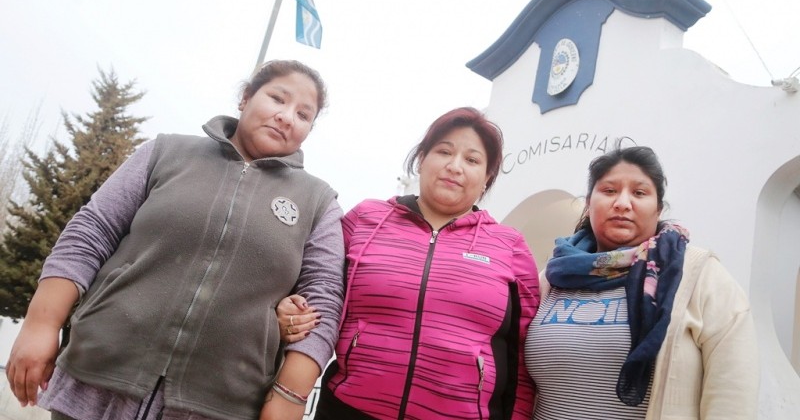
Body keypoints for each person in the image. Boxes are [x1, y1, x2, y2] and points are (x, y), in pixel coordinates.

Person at [5, 59, 345, 420]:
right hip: (99, 376)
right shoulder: (165, 153)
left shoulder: (318, 201)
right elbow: (92, 231)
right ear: (245, 98)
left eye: (303, 115)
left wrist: (289, 396)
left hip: (219, 403)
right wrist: (41, 324)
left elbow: (324, 295)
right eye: (278, 98)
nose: (287, 116)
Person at [281, 107, 541, 419]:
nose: (454, 166)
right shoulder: (365, 219)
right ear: (421, 159)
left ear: (486, 178)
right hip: (348, 410)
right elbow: (318, 287)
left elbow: (522, 360)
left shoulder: (509, 245)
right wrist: (288, 308)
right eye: (444, 151)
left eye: (472, 160)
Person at [524, 145, 759, 419]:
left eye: (639, 192)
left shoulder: (697, 274)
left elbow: (733, 394)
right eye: (609, 190)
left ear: (658, 209)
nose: (622, 203)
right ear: (589, 204)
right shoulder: (552, 277)